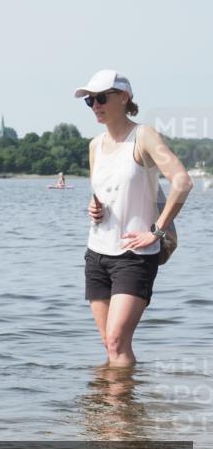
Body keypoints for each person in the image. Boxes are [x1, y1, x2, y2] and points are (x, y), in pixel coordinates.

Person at [79, 70, 192, 367]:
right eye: (90, 101)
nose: (95, 106)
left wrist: (156, 231)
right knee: (109, 344)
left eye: (101, 98)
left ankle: (123, 413)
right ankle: (112, 408)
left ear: (124, 97)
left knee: (117, 341)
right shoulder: (95, 145)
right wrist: (96, 208)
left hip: (135, 255)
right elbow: (102, 192)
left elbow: (182, 181)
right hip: (97, 253)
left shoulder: (144, 136)